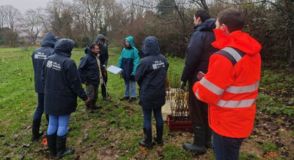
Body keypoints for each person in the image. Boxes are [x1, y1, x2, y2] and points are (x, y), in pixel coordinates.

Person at [192, 8, 262, 160]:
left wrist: (198, 84)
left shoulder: (223, 57)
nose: (215, 29)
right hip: (243, 120)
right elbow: (237, 81)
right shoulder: (253, 53)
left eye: (216, 26)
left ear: (223, 28)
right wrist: (212, 77)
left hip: (226, 124)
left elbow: (206, 94)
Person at [42, 38, 89, 158]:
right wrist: (84, 97)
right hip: (64, 99)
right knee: (62, 124)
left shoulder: (47, 60)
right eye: (71, 48)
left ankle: (52, 151)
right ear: (67, 49)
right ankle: (60, 151)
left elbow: (43, 77)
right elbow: (75, 83)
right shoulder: (69, 62)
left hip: (49, 98)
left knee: (52, 123)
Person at [180, 9, 216, 155]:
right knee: (208, 108)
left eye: (194, 19)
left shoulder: (199, 34)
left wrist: (183, 78)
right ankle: (208, 140)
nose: (193, 21)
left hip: (198, 79)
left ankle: (198, 144)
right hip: (212, 78)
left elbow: (192, 59)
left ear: (199, 19)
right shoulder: (216, 33)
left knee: (197, 109)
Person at [135, 36, 169, 149]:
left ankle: (148, 141)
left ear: (146, 46)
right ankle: (159, 139)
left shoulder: (144, 61)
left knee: (147, 117)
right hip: (159, 92)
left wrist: (143, 85)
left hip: (147, 94)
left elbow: (137, 77)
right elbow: (165, 72)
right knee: (158, 114)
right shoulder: (163, 59)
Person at [31, 32, 57, 141]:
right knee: (50, 107)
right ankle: (52, 130)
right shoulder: (52, 52)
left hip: (38, 83)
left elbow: (35, 67)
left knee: (40, 107)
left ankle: (35, 134)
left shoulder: (35, 52)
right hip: (49, 84)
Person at [78, 43, 102, 110]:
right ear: (92, 49)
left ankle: (93, 106)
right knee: (90, 96)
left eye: (98, 48)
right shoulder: (87, 58)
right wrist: (84, 80)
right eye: (97, 49)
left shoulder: (96, 57)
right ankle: (88, 108)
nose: (98, 50)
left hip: (96, 80)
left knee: (95, 95)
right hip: (89, 81)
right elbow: (80, 69)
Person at [118, 35, 140, 102]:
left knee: (132, 82)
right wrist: (119, 67)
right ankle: (126, 95)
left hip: (131, 68)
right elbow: (121, 58)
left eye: (127, 42)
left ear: (131, 42)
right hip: (125, 68)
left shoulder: (135, 50)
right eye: (126, 42)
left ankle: (133, 96)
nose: (126, 43)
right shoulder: (124, 49)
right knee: (126, 82)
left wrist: (134, 71)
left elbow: (137, 61)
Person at [95, 34, 109, 100]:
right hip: (95, 67)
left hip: (103, 66)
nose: (100, 42)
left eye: (102, 41)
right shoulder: (94, 47)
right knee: (95, 82)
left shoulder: (105, 47)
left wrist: (105, 65)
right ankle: (94, 96)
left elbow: (106, 57)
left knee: (104, 80)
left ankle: (104, 95)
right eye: (100, 41)